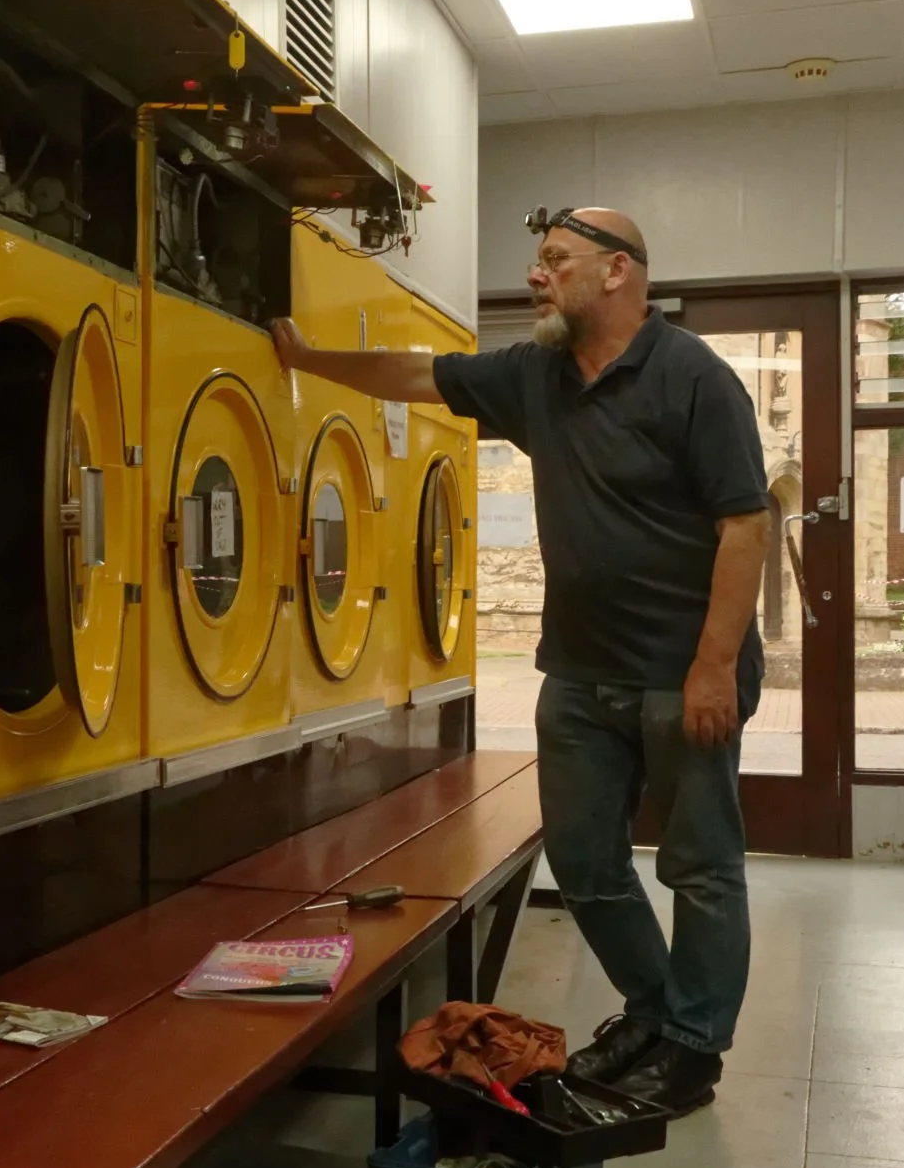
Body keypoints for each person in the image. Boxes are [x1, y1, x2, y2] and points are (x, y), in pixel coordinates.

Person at [270, 207, 771, 1114]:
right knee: (583, 862)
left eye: (555, 260)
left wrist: (713, 666)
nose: (537, 276)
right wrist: (310, 362)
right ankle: (656, 1011)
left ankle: (694, 1048)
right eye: (538, 260)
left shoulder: (695, 379)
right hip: (578, 670)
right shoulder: (537, 374)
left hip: (679, 669)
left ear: (617, 272)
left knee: (699, 866)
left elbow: (746, 523)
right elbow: (417, 374)